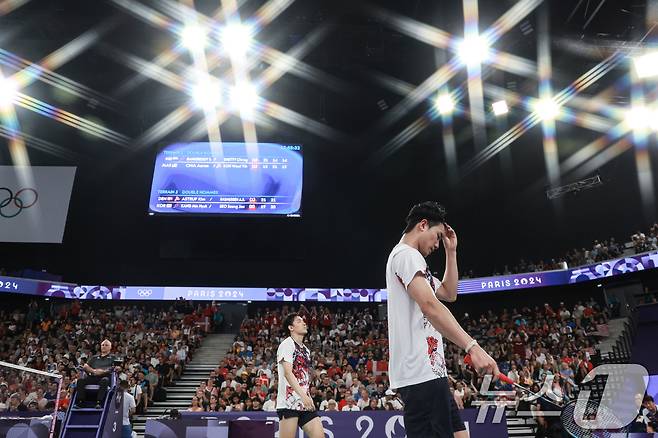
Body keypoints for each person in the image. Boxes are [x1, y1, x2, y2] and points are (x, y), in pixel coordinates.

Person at [386, 202, 500, 438]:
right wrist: (472, 346)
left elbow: (449, 293)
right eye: (437, 237)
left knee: (460, 435)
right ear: (422, 225)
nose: (437, 244)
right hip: (420, 374)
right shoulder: (407, 256)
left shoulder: (414, 262)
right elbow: (430, 306)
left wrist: (452, 251)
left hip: (432, 372)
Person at [276, 313, 325, 438]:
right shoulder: (287, 344)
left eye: (303, 321)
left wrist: (307, 395)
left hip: (305, 403)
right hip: (289, 403)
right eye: (299, 321)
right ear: (291, 327)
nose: (304, 323)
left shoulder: (306, 350)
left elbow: (303, 376)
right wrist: (303, 396)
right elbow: (288, 373)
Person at [76, 339, 117, 408]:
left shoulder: (113, 357)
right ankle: (81, 402)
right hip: (93, 377)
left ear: (110, 347)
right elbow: (86, 366)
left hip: (105, 377)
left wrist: (102, 372)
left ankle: (99, 402)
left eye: (106, 345)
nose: (104, 346)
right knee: (80, 381)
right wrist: (94, 371)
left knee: (105, 380)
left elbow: (114, 367)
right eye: (102, 345)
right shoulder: (94, 357)